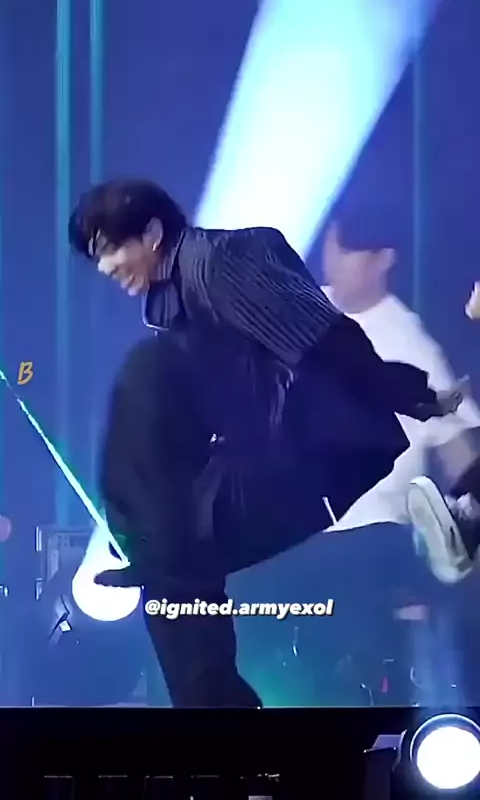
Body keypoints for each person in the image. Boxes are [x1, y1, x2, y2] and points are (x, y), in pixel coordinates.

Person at [68, 179, 480, 707]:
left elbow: (325, 337)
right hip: (253, 463)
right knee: (175, 576)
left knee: (146, 374)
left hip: (305, 456)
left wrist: (409, 393)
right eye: (97, 258)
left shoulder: (226, 260)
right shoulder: (172, 305)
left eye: (110, 249)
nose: (106, 268)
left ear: (151, 232)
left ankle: (160, 553)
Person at [320, 217, 480, 584]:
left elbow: (456, 450)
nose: (337, 262)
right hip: (286, 537)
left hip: (370, 548)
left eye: (352, 254)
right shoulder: (292, 309)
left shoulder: (413, 347)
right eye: (335, 246)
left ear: (384, 260)